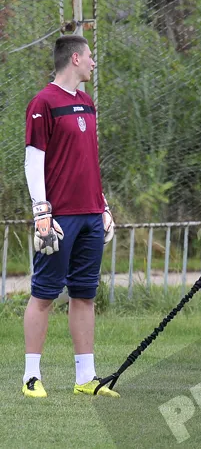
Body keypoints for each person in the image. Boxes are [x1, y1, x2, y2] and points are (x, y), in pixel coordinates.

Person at [22, 35, 118, 398]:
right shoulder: (42, 103)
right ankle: (31, 377)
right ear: (75, 58)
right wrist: (41, 212)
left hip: (92, 215)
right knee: (44, 295)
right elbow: (34, 161)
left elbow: (88, 161)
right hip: (59, 217)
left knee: (84, 295)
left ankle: (86, 379)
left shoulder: (88, 103)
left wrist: (103, 204)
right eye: (90, 57)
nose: (94, 63)